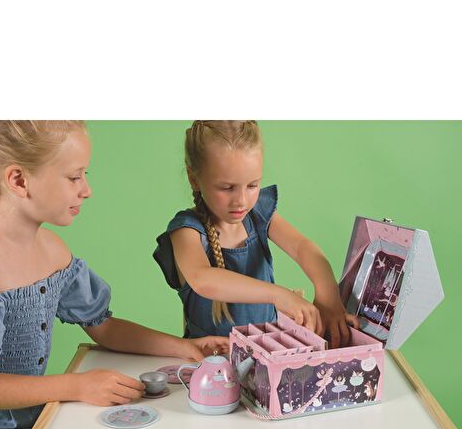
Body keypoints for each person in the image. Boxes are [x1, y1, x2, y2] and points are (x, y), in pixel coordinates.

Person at [0, 121, 227, 429]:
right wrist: (76, 386)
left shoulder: (52, 250)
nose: (86, 190)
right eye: (74, 177)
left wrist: (183, 347)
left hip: (35, 420)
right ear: (19, 180)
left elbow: (104, 326)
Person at [154, 120, 359, 345]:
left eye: (252, 185)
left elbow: (302, 248)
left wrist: (328, 294)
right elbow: (203, 279)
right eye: (227, 188)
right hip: (212, 361)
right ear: (194, 179)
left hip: (270, 354)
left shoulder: (259, 214)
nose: (241, 200)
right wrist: (278, 295)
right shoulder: (186, 230)